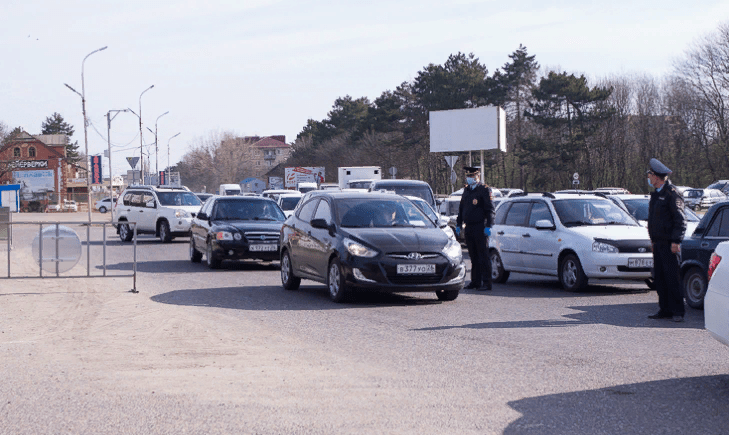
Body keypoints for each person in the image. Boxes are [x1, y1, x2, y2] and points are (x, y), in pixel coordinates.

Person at [646, 158, 687, 322]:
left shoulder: (671, 193)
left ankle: (677, 311)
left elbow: (680, 220)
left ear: (656, 176)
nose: (648, 177)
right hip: (658, 243)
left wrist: (676, 241)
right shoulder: (656, 194)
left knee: (672, 278)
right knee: (660, 278)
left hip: (670, 244)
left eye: (649, 174)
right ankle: (665, 309)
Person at [456, 166, 494, 291]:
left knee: (483, 256)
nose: (470, 179)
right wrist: (458, 223)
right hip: (469, 227)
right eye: (468, 176)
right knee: (473, 257)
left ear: (478, 176)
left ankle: (487, 282)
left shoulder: (483, 190)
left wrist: (488, 225)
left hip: (480, 226)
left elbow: (490, 210)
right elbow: (462, 209)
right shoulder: (467, 191)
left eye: (472, 176)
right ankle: (475, 281)